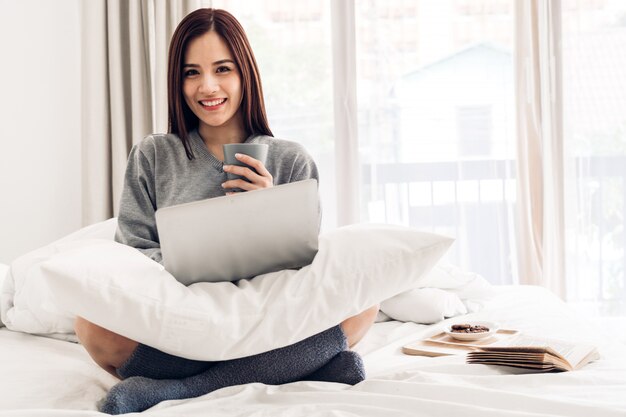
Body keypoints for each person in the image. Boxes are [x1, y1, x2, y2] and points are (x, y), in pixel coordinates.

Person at [73, 8, 379, 414]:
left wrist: (268, 210)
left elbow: (303, 272)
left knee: (366, 300)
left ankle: (186, 389)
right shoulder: (153, 155)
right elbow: (132, 253)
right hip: (182, 323)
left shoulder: (291, 161)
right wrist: (186, 268)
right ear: (177, 81)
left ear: (244, 74)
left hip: (264, 321)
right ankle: (299, 368)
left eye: (222, 69)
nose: (208, 86)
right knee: (90, 324)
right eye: (191, 72)